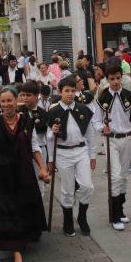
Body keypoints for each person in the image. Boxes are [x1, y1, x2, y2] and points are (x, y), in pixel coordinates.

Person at [0, 87, 49, 262]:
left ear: (16, 101)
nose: (6, 104)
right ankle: (16, 251)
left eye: (9, 100)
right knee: (7, 210)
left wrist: (43, 168)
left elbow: (34, 147)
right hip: (2, 174)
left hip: (23, 172)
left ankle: (25, 237)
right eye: (3, 101)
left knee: (22, 206)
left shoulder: (26, 121)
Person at [46, 76, 97, 237]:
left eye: (72, 91)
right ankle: (68, 220)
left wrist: (93, 154)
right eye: (66, 91)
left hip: (81, 151)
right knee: (67, 189)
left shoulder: (83, 109)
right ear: (60, 92)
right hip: (62, 152)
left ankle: (82, 216)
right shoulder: (53, 111)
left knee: (87, 186)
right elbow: (48, 137)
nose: (70, 94)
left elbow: (90, 133)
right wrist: (51, 159)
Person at [95, 65, 131, 231]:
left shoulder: (130, 96)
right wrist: (103, 128)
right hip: (111, 140)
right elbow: (95, 121)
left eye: (118, 78)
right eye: (112, 79)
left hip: (127, 139)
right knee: (115, 176)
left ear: (121, 77)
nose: (115, 82)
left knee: (123, 176)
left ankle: (121, 210)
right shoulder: (101, 99)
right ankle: (114, 215)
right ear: (107, 80)